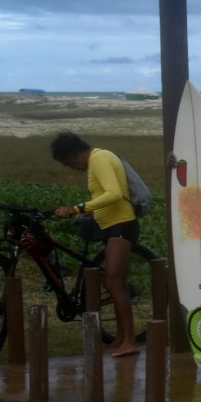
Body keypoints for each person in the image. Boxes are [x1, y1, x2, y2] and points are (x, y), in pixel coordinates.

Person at [51, 131, 139, 358]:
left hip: (121, 226)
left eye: (68, 163)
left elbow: (114, 194)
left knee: (113, 283)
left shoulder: (99, 158)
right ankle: (121, 338)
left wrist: (77, 208)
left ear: (73, 154)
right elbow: (106, 198)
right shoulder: (98, 159)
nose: (72, 168)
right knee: (117, 284)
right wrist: (88, 213)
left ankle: (130, 341)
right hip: (113, 227)